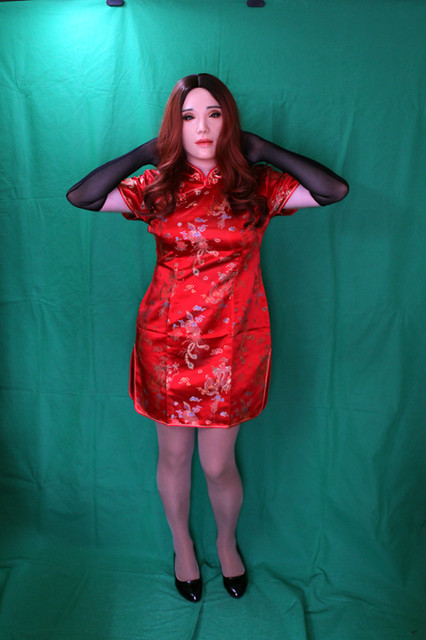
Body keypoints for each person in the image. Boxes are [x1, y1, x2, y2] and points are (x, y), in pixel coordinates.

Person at [66, 73, 348, 602]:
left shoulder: (255, 185)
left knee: (218, 464)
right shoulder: (157, 186)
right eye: (188, 117)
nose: (202, 127)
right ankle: (182, 547)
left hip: (233, 344)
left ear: (229, 122)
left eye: (214, 114)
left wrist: (262, 149)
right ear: (174, 127)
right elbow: (82, 196)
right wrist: (148, 152)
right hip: (166, 343)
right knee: (174, 457)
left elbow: (333, 191)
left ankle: (225, 542)